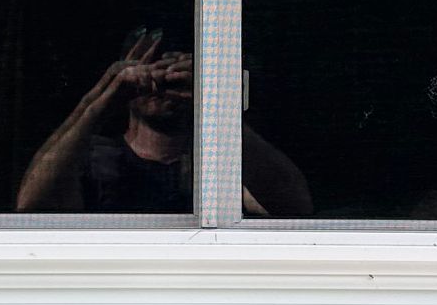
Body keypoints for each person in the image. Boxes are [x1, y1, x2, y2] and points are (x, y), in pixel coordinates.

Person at [16, 29, 312, 217]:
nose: (162, 80)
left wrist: (210, 101)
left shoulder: (217, 167)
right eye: (152, 66)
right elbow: (32, 206)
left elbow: (293, 208)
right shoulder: (92, 159)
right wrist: (103, 97)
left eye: (175, 69)